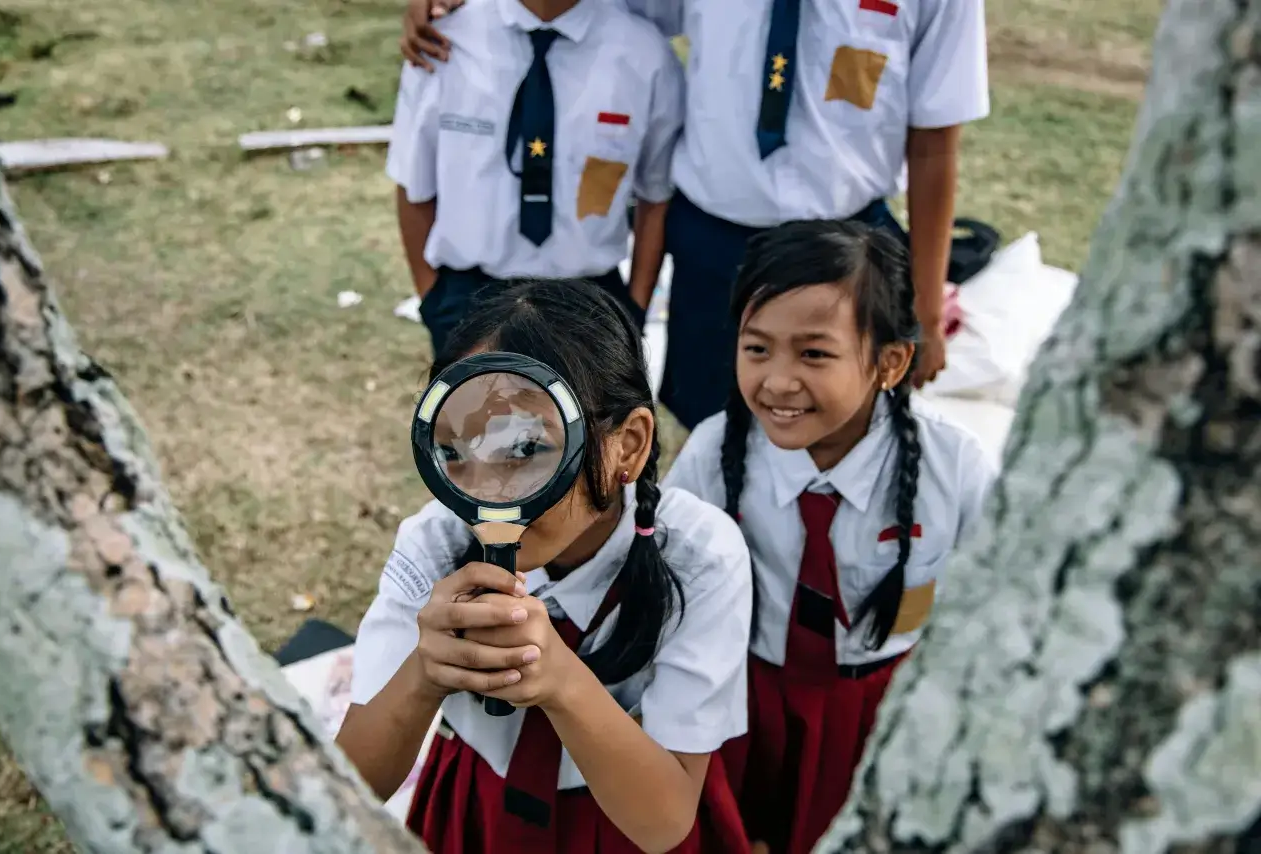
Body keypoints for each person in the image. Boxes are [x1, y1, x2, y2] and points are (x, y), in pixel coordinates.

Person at [399, 0, 989, 429]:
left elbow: (936, 140)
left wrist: (929, 309)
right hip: (716, 241)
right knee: (713, 421)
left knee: (836, 422)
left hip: (847, 242)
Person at [336, 278, 754, 853]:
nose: (486, 489)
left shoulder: (701, 557)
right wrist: (424, 673)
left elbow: (665, 824)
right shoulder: (433, 544)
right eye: (455, 451)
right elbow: (350, 782)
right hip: (479, 805)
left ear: (627, 445)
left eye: (526, 449)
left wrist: (560, 681)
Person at [661, 220, 997, 854]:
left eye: (814, 354)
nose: (779, 382)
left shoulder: (955, 467)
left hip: (878, 710)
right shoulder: (713, 454)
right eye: (757, 348)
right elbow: (665, 590)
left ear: (890, 363)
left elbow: (1000, 600)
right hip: (744, 704)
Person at [389, 0, 684, 356]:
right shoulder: (442, 43)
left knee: (590, 412)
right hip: (471, 297)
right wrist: (433, 299)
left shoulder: (643, 54)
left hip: (588, 299)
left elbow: (656, 196)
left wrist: (634, 310)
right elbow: (413, 184)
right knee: (476, 411)